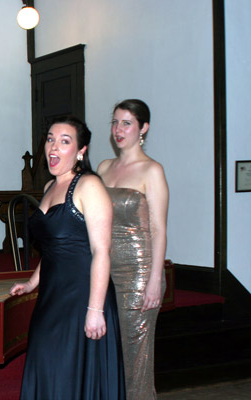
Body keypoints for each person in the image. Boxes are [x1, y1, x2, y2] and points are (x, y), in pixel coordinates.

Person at [10, 116, 125, 400]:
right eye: (50, 139)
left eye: (65, 141)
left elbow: (101, 251)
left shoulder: (88, 186)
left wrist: (95, 310)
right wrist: (31, 283)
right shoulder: (50, 186)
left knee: (69, 372)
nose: (54, 147)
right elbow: (52, 248)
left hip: (82, 297)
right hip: (52, 297)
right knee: (48, 366)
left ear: (81, 150)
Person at [97, 99, 169, 400]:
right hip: (104, 272)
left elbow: (158, 230)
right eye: (115, 122)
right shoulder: (103, 167)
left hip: (139, 274)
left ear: (143, 128)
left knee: (135, 357)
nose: (118, 129)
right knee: (109, 351)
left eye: (126, 122)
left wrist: (154, 279)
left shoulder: (151, 170)